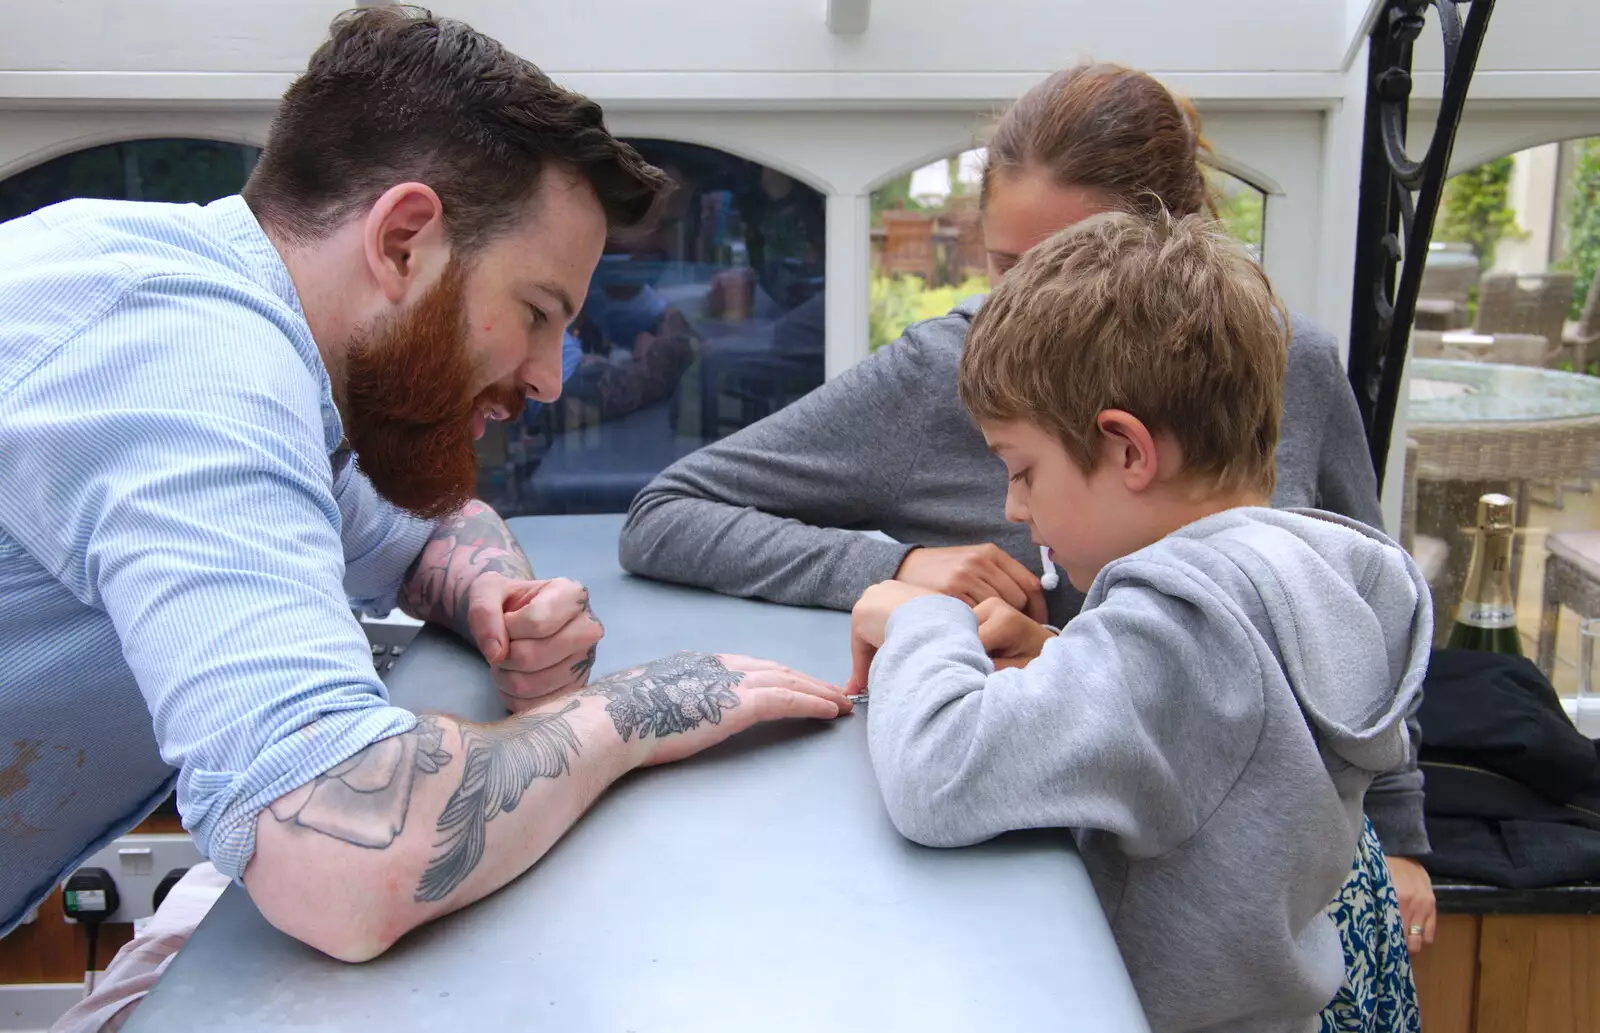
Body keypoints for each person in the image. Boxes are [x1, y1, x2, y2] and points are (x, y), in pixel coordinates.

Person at [0, 6, 849, 965]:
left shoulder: (259, 355)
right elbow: (341, 850)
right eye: (535, 312)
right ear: (404, 241)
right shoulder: (183, 354)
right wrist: (630, 712)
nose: (550, 378)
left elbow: (423, 525)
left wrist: (495, 595)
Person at [618, 62, 1438, 956]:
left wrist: (1401, 837)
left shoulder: (1292, 362)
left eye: (1071, 266)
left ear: (1173, 249)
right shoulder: (950, 370)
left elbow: (1320, 640)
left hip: (1258, 920)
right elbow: (667, 512)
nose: (1028, 305)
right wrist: (896, 565)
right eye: (1009, 266)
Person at [850, 211, 1431, 1033]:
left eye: (1023, 470)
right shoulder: (1299, 581)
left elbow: (939, 775)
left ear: (1128, 449)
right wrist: (1061, 653)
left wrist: (922, 619)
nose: (1014, 507)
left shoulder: (1184, 627)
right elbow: (1211, 747)